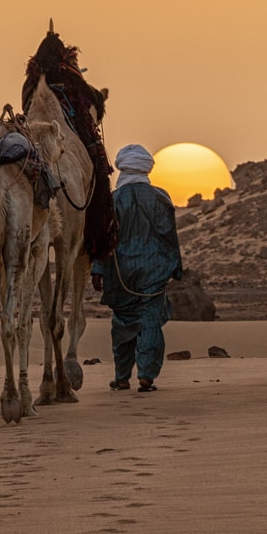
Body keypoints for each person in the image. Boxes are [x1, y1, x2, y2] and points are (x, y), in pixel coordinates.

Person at [91, 144, 183, 392]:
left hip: (121, 273)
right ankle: (146, 375)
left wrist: (97, 270)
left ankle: (122, 378)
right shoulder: (161, 197)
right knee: (150, 322)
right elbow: (169, 236)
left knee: (122, 324)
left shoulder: (113, 200)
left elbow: (103, 238)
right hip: (154, 270)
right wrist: (176, 267)